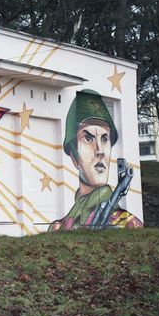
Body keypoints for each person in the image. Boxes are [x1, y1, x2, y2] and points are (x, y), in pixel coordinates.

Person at [49, 89, 143, 231]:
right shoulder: (58, 227)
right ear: (74, 156)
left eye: (105, 139)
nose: (100, 151)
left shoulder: (127, 224)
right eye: (88, 138)